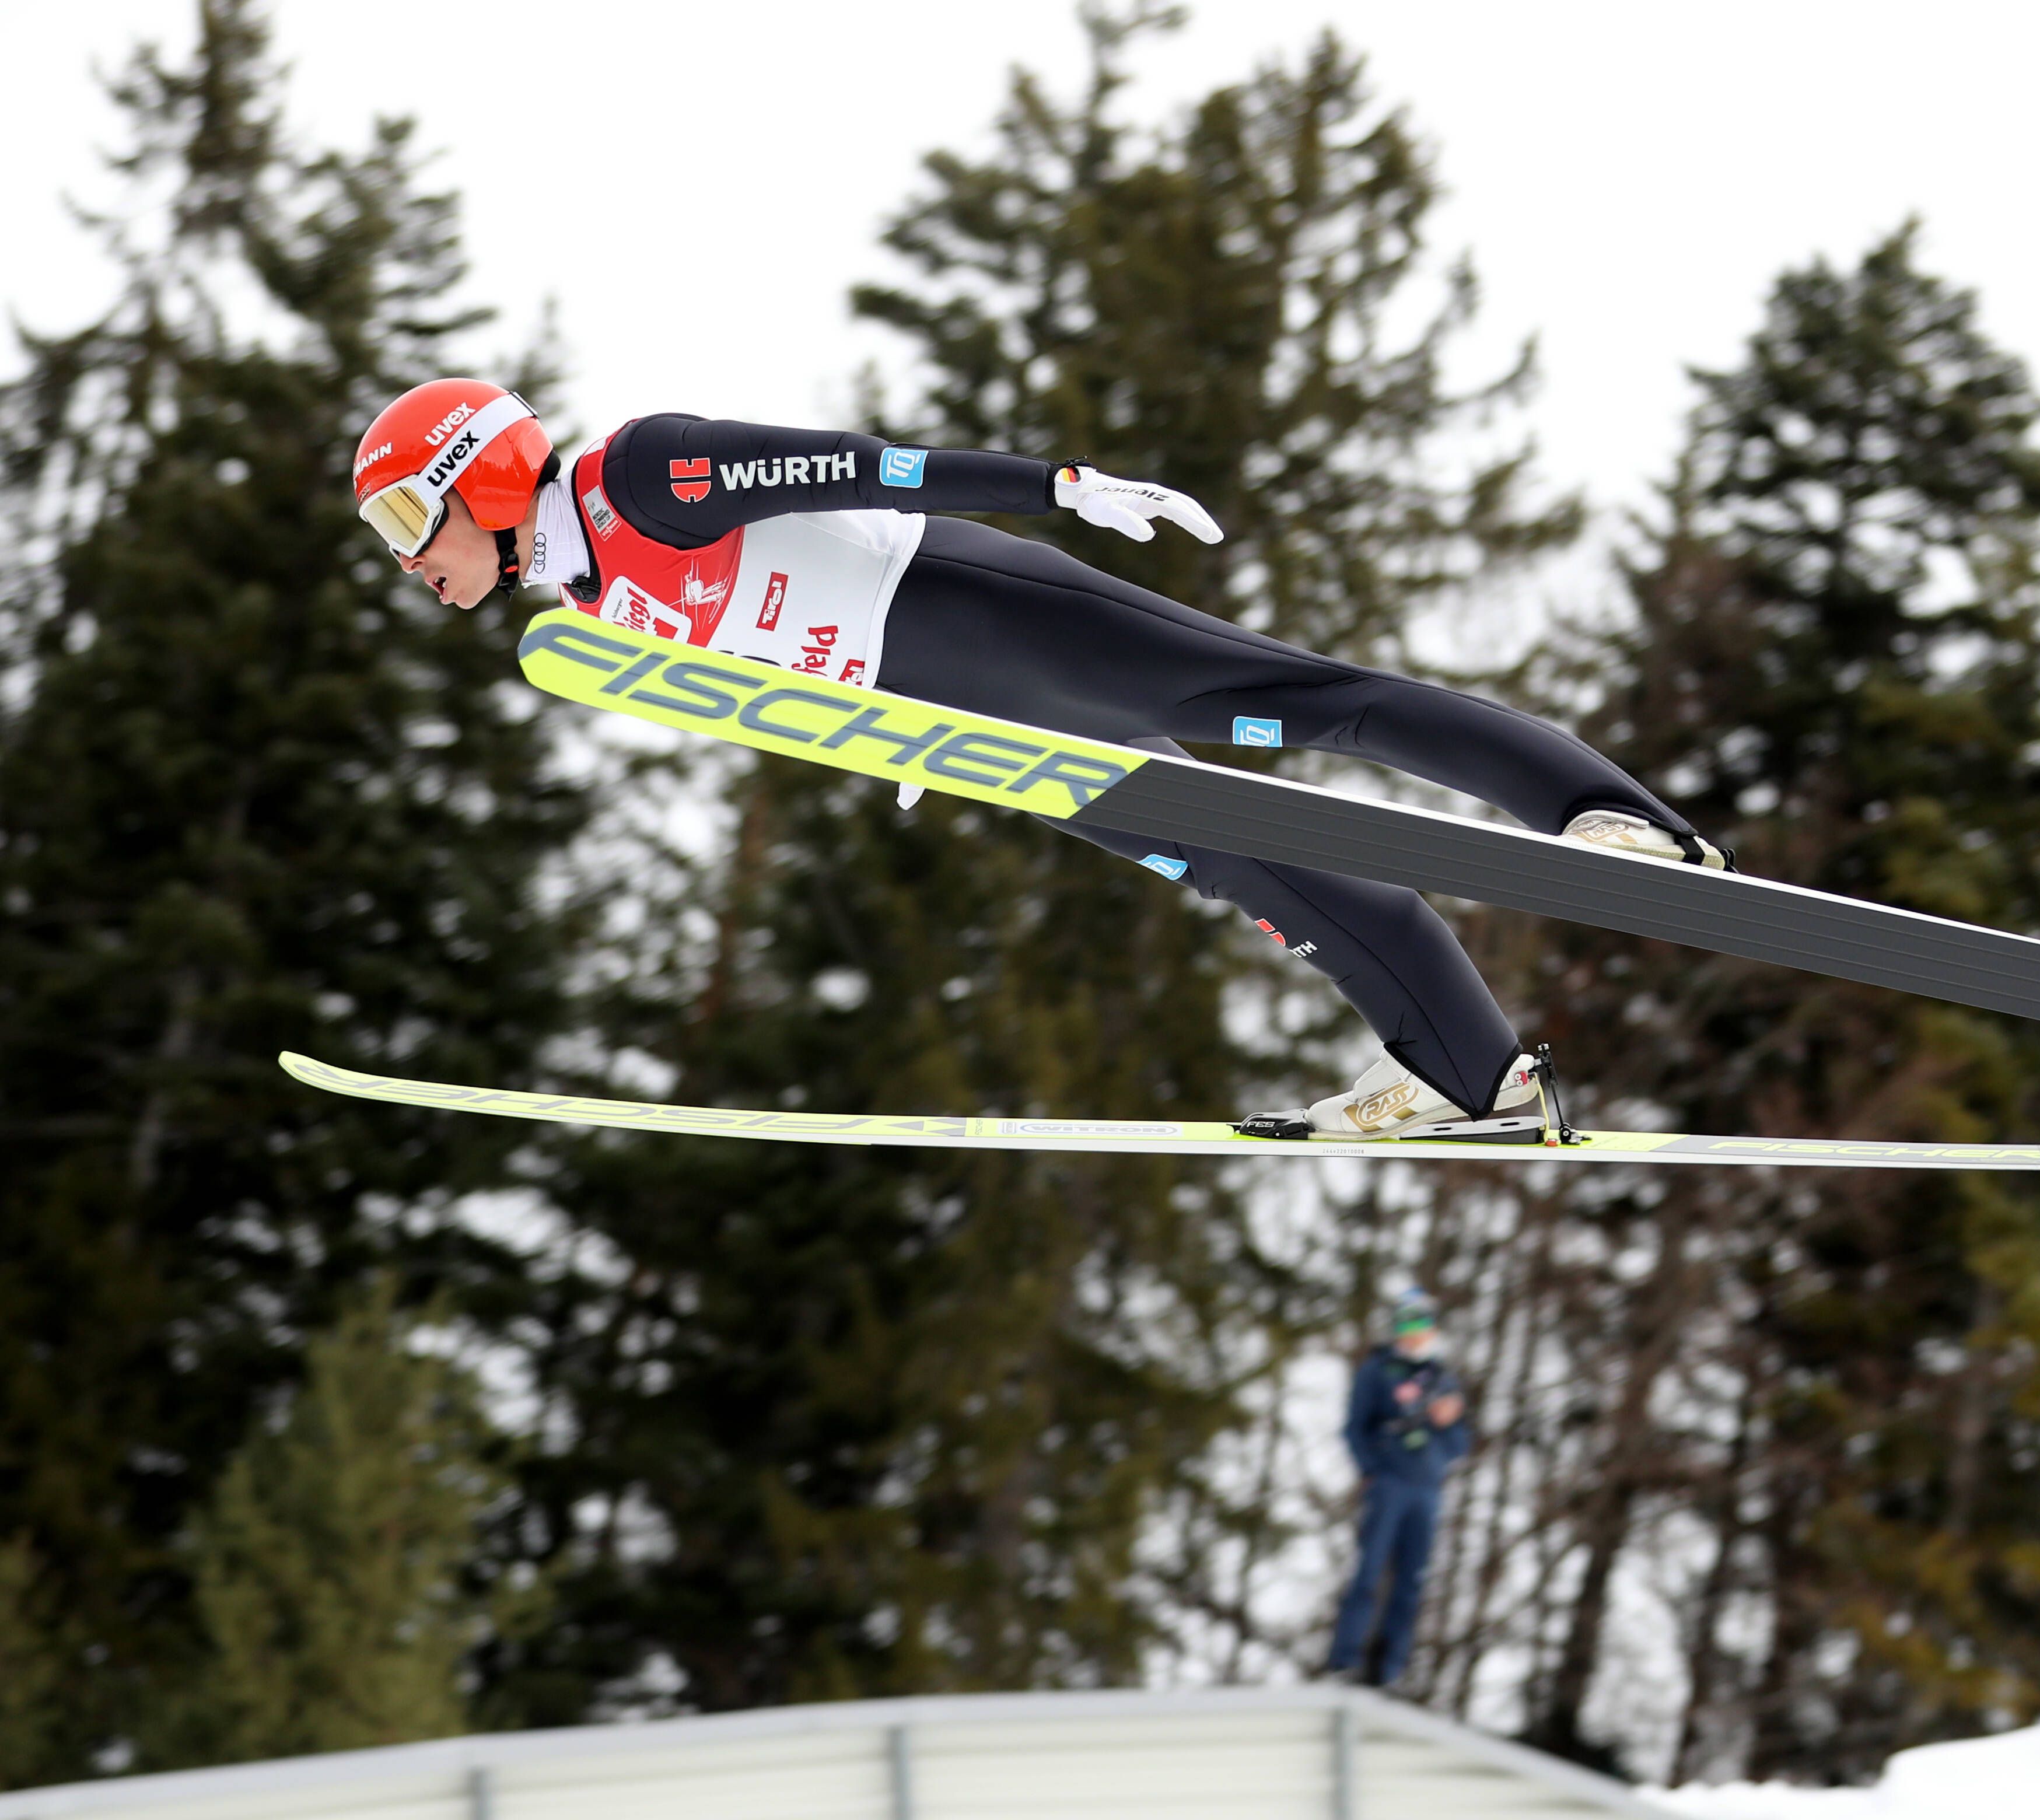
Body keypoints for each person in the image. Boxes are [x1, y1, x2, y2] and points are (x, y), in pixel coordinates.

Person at [349, 380, 1730, 1139]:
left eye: (412, 511)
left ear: (481, 467)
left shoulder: (635, 480)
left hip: (978, 611)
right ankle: (1468, 1072)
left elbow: (861, 469)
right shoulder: (593, 610)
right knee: (1253, 861)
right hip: (968, 725)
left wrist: (1054, 486)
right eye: (384, 532)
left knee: (1303, 702)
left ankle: (1605, 812)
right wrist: (887, 738)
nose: (408, 556)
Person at [1328, 1288, 1469, 1687]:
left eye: (1421, 1323)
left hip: (1426, 1488)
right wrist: (1371, 1471)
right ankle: (1346, 1658)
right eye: (1407, 1323)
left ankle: (1389, 1669)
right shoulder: (1377, 1370)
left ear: (1433, 1328)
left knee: (1412, 1581)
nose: (1414, 1332)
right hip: (1389, 1483)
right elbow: (1354, 1428)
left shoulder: (1443, 1379)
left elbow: (1461, 1444)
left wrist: (1444, 1426)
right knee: (1369, 1572)